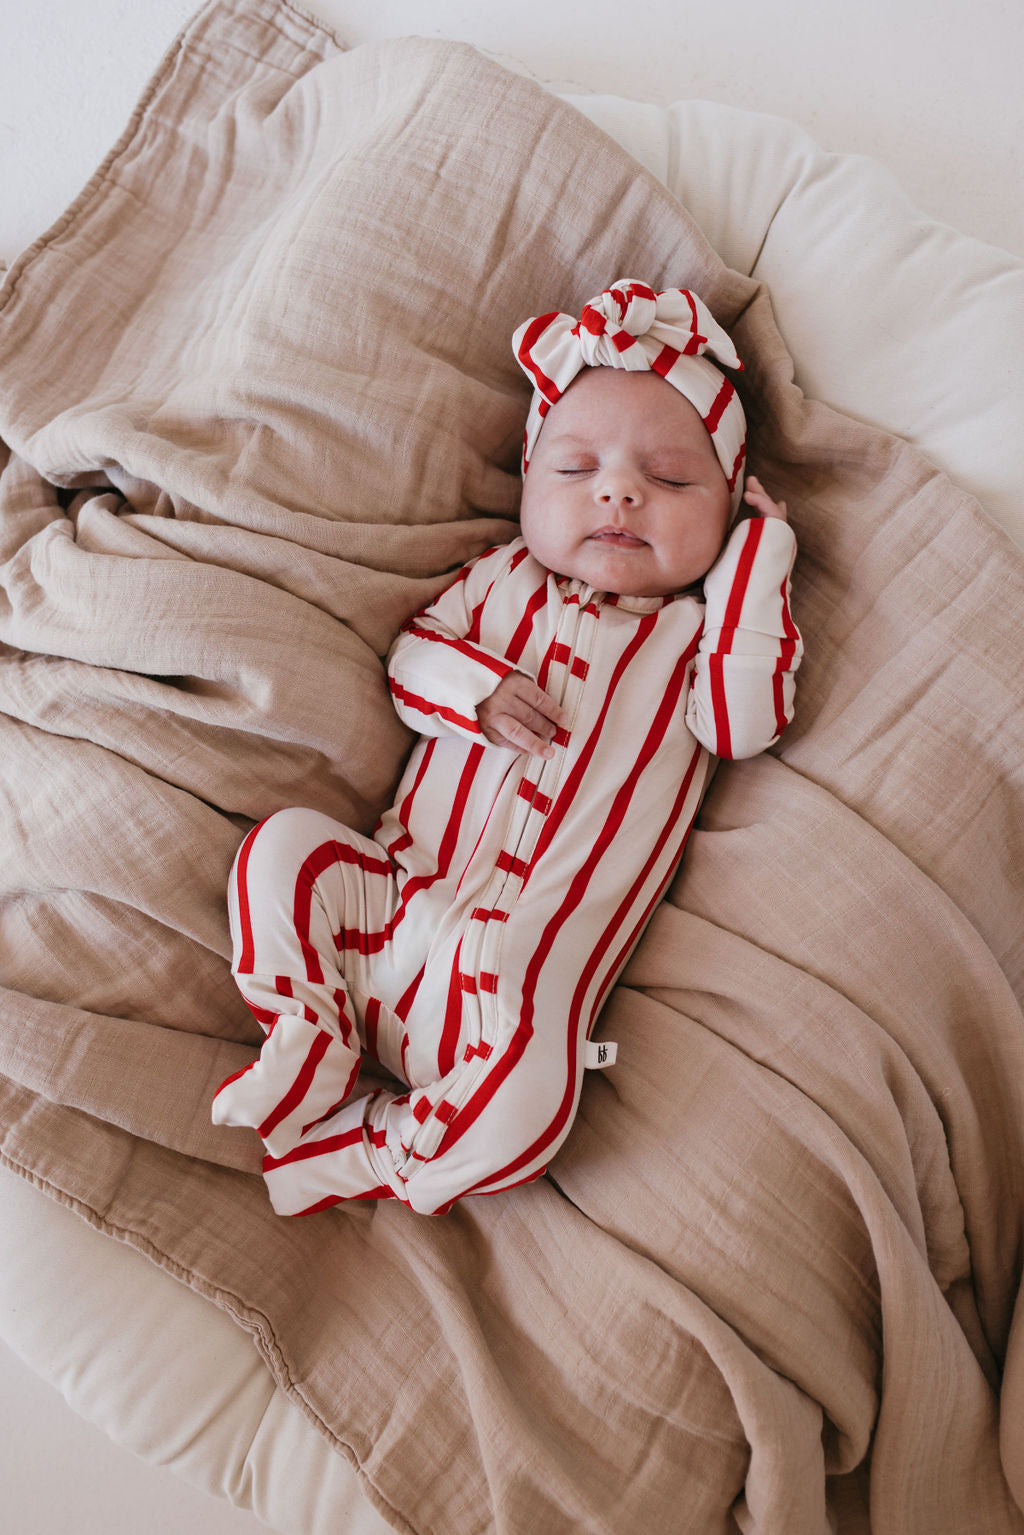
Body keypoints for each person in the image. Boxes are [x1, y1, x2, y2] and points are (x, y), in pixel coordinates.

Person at [212, 279, 802, 1217]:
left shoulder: (700, 638)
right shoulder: (500, 581)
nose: (619, 490)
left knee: (538, 1106)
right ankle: (308, 1029)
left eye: (673, 480)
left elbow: (743, 724)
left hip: (511, 1008)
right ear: (530, 483)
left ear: (726, 513)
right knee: (283, 847)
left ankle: (368, 1151)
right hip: (390, 906)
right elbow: (410, 660)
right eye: (576, 470)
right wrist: (474, 691)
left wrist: (758, 570)